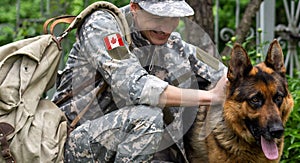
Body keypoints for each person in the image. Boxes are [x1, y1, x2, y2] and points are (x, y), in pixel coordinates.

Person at [52, 0, 228, 162]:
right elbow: (135, 86)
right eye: (158, 17)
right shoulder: (102, 26)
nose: (166, 28)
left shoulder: (172, 43)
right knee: (147, 118)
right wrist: (210, 96)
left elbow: (224, 73)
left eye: (173, 18)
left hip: (126, 144)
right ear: (135, 8)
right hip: (73, 142)